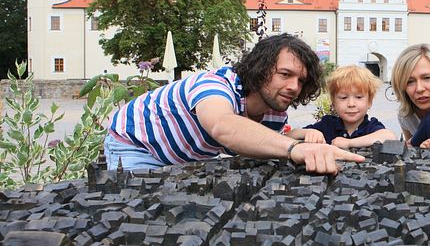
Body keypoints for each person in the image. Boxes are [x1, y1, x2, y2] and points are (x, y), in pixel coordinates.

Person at [104, 33, 363, 174]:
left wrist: (303, 136)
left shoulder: (274, 109)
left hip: (181, 158)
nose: (294, 87)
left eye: (300, 80)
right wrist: (294, 148)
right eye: (285, 74)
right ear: (261, 69)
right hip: (136, 146)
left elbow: (268, 138)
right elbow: (223, 126)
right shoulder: (214, 85)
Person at [288, 65, 396, 147]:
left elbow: (389, 137)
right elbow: (290, 135)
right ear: (333, 102)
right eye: (343, 98)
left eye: (359, 97)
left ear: (369, 101)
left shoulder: (371, 127)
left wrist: (349, 143)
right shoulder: (328, 125)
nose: (351, 104)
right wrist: (309, 132)